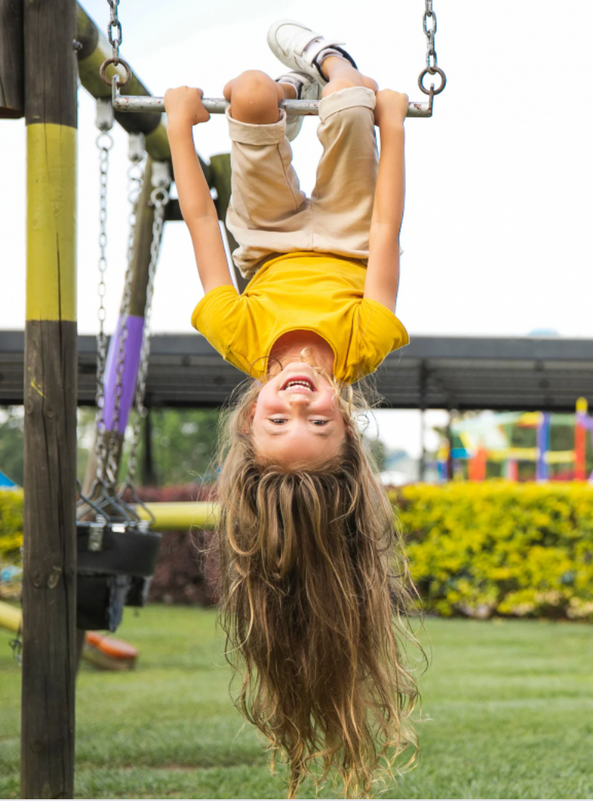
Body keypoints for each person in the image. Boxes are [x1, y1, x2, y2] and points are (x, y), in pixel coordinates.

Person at [164, 21, 418, 795]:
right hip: (344, 235)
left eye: (280, 422)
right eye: (320, 423)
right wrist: (396, 131)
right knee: (349, 103)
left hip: (266, 240)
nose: (299, 405)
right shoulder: (365, 343)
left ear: (250, 419)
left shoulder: (240, 338)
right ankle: (328, 62)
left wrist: (179, 128)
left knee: (244, 90)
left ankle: (279, 95)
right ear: (349, 420)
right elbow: (385, 234)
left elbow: (204, 225)